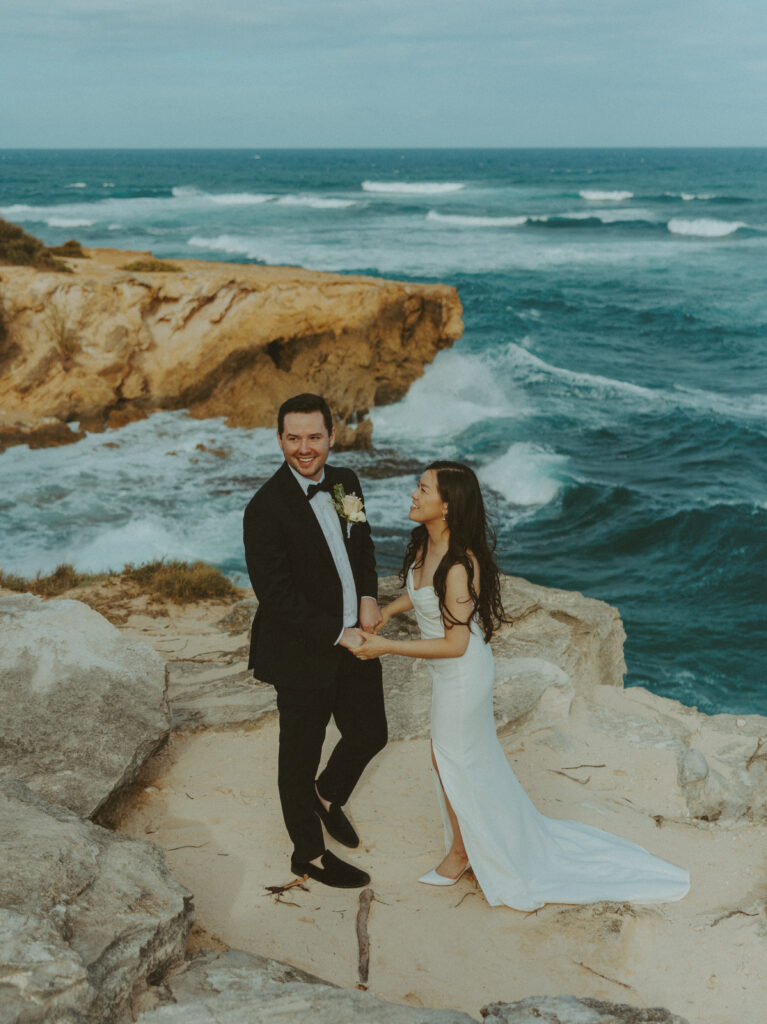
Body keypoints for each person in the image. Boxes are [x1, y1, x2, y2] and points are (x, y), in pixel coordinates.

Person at [353, 460, 690, 910]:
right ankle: (469, 845)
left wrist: (387, 649)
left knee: (450, 758)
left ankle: (461, 854)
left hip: (462, 673)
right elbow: (420, 594)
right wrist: (390, 613)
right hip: (448, 672)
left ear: (447, 506)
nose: (413, 494)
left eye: (422, 488)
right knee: (452, 758)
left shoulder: (458, 565)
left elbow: (455, 644)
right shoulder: (425, 544)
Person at [243, 393, 387, 889]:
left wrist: (368, 594)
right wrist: (336, 632)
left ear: (331, 436)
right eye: (293, 437)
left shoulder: (347, 482)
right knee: (298, 758)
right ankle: (308, 854)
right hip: (302, 651)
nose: (304, 448)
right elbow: (277, 596)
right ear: (280, 438)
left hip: (358, 635)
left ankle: (327, 795)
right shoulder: (263, 509)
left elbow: (362, 543)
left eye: (314, 437)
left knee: (371, 732)